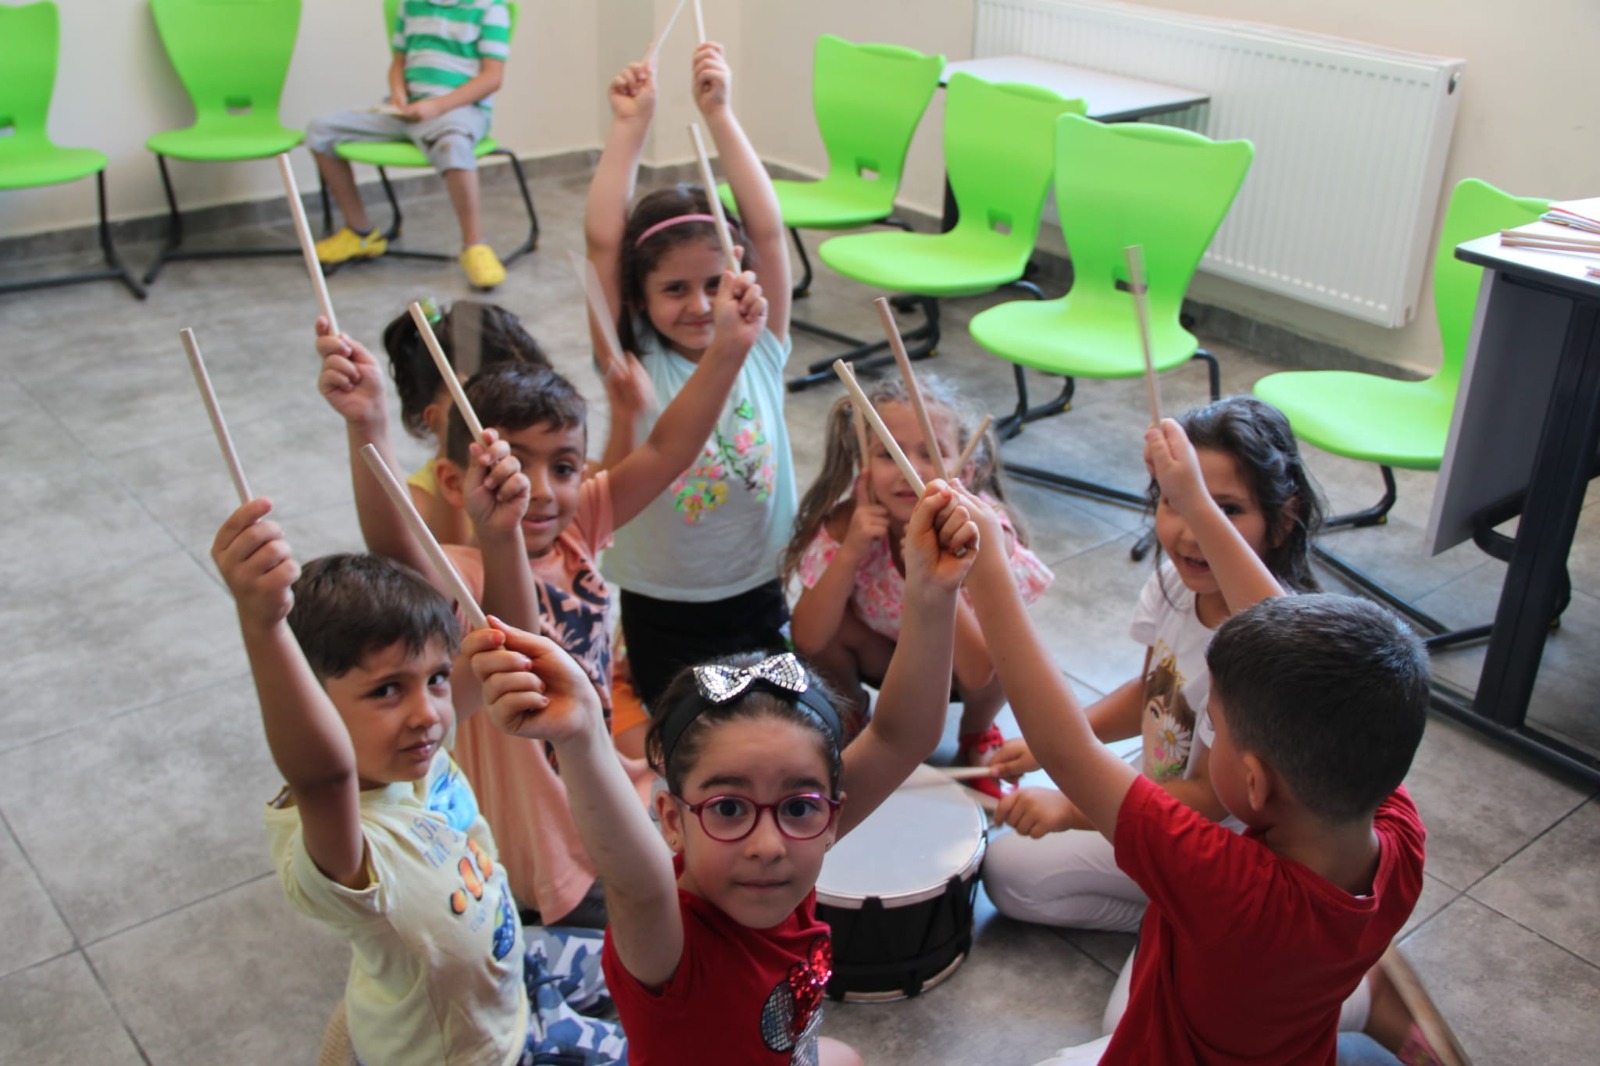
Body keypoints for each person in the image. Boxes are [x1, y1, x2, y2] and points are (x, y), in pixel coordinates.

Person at [313, 262, 769, 926]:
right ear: (453, 480)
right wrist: (368, 425)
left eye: (563, 467)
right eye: (514, 463)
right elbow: (393, 546)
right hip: (540, 837)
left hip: (600, 779)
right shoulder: (459, 577)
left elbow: (669, 448)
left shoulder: (578, 527)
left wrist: (729, 348)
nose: (541, 490)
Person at [465, 481, 979, 1065]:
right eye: (729, 808)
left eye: (799, 806)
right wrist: (582, 736)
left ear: (832, 814)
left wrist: (932, 592)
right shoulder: (669, 945)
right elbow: (637, 884)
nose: (768, 845)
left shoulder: (790, 854)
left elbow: (898, 737)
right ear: (670, 819)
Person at [951, 440, 1430, 1065]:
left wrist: (988, 571)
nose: (1208, 735)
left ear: (1255, 783)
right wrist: (1199, 507)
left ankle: (1365, 999)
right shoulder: (1398, 831)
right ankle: (1361, 996)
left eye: (1217, 731)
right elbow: (1297, 653)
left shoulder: (1227, 882)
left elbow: (1067, 752)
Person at [210, 503, 625, 1064]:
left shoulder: (414, 752)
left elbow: (508, 644)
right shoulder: (347, 842)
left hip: (510, 978)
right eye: (386, 690)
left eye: (436, 678)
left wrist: (499, 532)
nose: (428, 712)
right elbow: (323, 776)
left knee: (648, 958)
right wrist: (263, 626)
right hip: (472, 1053)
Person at [982, 395, 1319, 930]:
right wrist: (1056, 746)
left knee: (1011, 870)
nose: (1190, 532)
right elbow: (1150, 690)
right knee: (1007, 870)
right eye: (1173, 500)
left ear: (1282, 521)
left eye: (1226, 509)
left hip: (1213, 838)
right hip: (1159, 789)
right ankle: (1183, 916)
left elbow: (1209, 797)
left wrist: (1075, 807)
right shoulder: (1174, 584)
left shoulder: (1271, 642)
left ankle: (1203, 917)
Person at [584, 40, 797, 718]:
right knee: (680, 733)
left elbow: (768, 232)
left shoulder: (758, 341)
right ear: (638, 297)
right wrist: (629, 127)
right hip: (662, 598)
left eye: (714, 282)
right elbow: (602, 244)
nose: (701, 305)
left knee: (764, 725)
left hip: (758, 583)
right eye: (674, 289)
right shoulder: (634, 357)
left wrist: (721, 115)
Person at [784, 374, 1052, 796]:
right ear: (863, 464)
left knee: (1009, 647)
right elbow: (809, 639)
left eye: (932, 452)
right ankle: (851, 716)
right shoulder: (850, 522)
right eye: (888, 453)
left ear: (966, 469)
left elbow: (979, 671)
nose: (909, 469)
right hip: (882, 657)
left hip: (958, 671)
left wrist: (934, 575)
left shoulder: (980, 533)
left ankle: (976, 732)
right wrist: (851, 551)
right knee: (829, 618)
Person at [305, 0, 512, 289]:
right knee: (321, 130)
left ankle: (474, 245)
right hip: (406, 112)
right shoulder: (411, 5)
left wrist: (437, 106)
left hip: (458, 112)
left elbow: (492, 78)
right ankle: (361, 233)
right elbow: (399, 62)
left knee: (454, 146)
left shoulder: (491, 9)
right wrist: (398, 94)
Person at [382, 299, 550, 546]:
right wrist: (452, 438)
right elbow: (454, 557)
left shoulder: (549, 464)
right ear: (437, 420)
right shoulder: (420, 497)